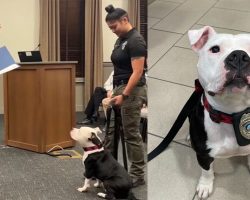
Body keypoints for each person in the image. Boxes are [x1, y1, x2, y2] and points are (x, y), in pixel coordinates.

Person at [104, 5, 147, 188]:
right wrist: (114, 92)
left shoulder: (135, 40)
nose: (113, 31)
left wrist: (125, 95)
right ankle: (109, 169)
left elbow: (137, 72)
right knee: (111, 132)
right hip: (119, 88)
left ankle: (137, 175)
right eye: (110, 28)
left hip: (132, 90)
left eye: (114, 27)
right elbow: (119, 69)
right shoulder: (120, 40)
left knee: (130, 134)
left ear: (125, 20)